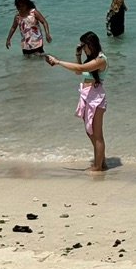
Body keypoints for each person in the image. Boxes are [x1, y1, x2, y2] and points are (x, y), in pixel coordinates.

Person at [46, 32, 109, 172]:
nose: (84, 49)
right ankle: (101, 163)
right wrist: (78, 56)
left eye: (84, 46)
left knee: (97, 135)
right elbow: (79, 72)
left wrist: (58, 62)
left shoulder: (101, 59)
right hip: (87, 95)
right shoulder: (90, 59)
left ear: (90, 45)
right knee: (90, 131)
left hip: (96, 98)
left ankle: (98, 166)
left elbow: (80, 69)